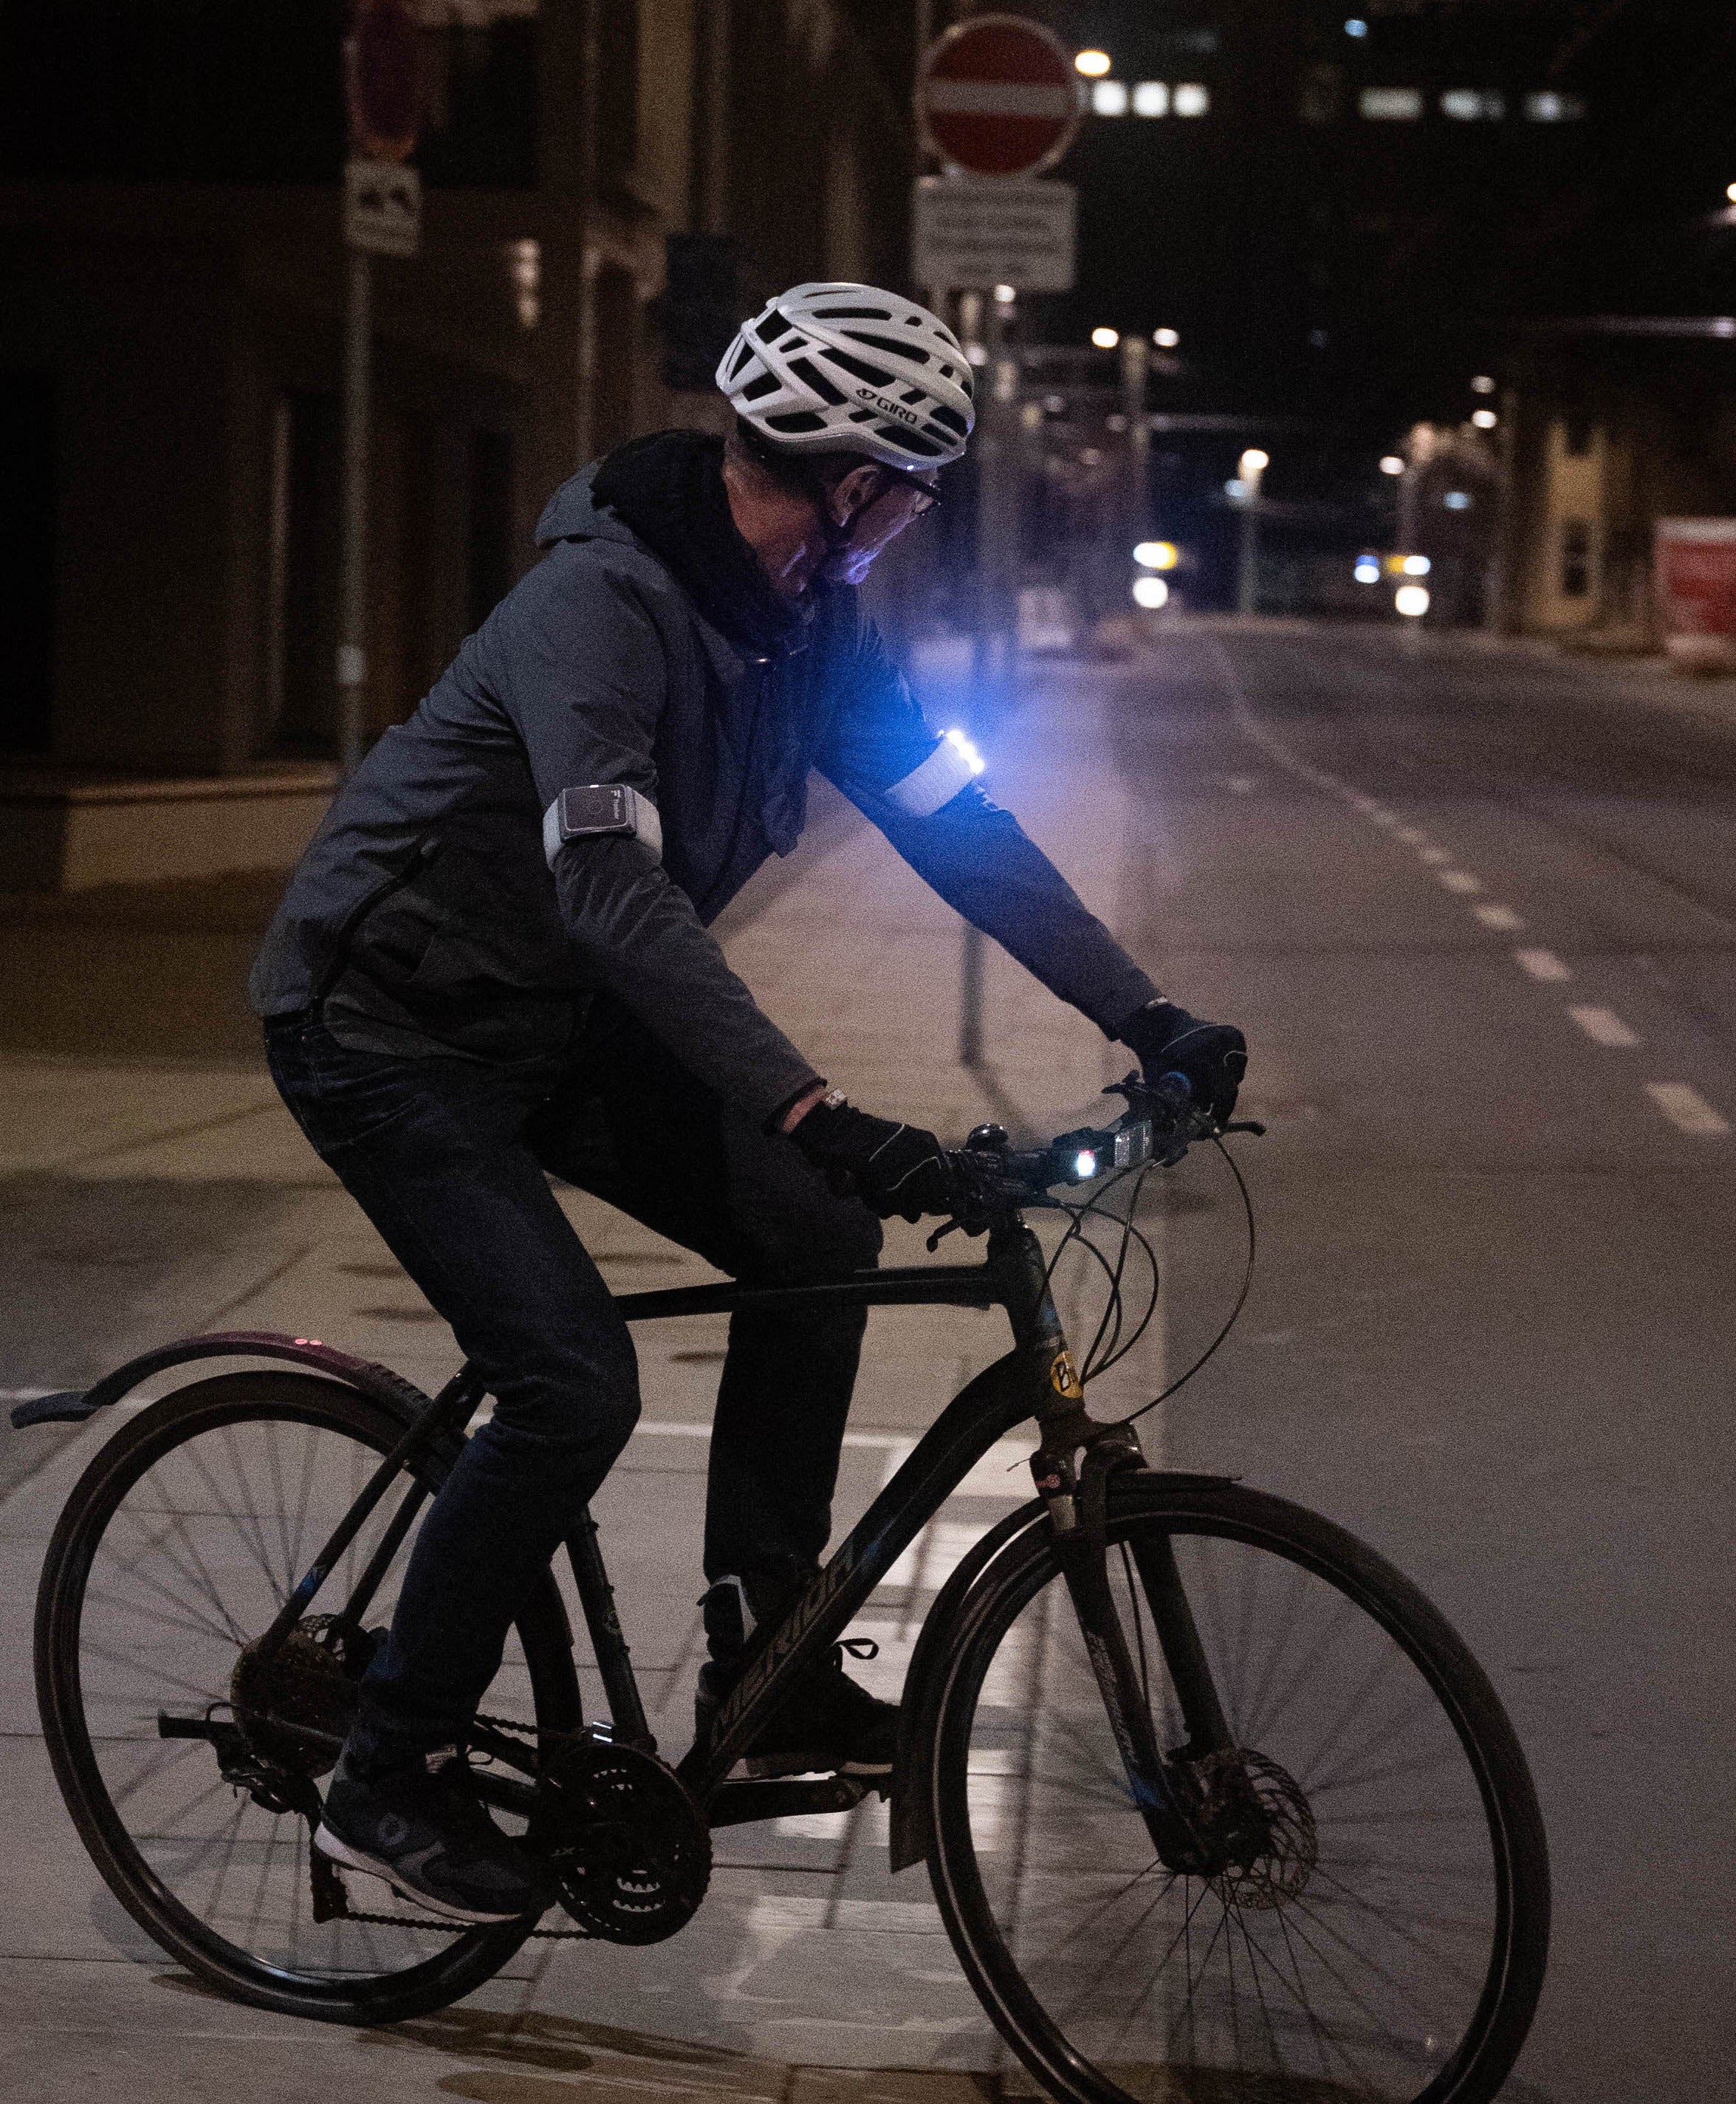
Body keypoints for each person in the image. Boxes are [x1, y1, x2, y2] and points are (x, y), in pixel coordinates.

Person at [250, 281, 1247, 1924]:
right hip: (391, 1025)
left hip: (551, 1015)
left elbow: (952, 821)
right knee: (572, 1382)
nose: (918, 523)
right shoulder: (604, 608)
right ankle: (385, 1772)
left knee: (812, 1231)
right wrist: (810, 1101)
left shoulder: (807, 622)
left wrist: (1146, 1010)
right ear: (860, 486)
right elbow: (613, 896)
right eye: (917, 493)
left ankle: (759, 1660)